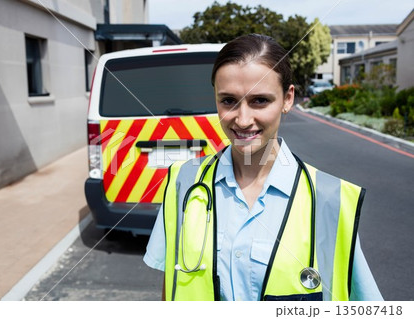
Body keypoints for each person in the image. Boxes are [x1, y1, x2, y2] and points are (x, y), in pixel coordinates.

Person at [143, 34, 383, 301]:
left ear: (288, 99)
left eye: (259, 101)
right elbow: (171, 290)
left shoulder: (330, 199)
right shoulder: (183, 182)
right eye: (228, 101)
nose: (243, 120)